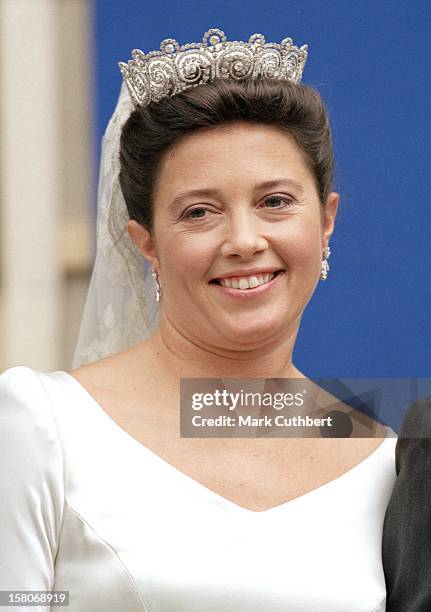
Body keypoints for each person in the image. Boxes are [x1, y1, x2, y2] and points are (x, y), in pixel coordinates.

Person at [0, 28, 397, 611]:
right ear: (147, 244)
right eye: (199, 212)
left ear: (326, 219)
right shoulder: (41, 426)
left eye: (276, 202)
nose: (243, 240)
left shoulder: (384, 462)